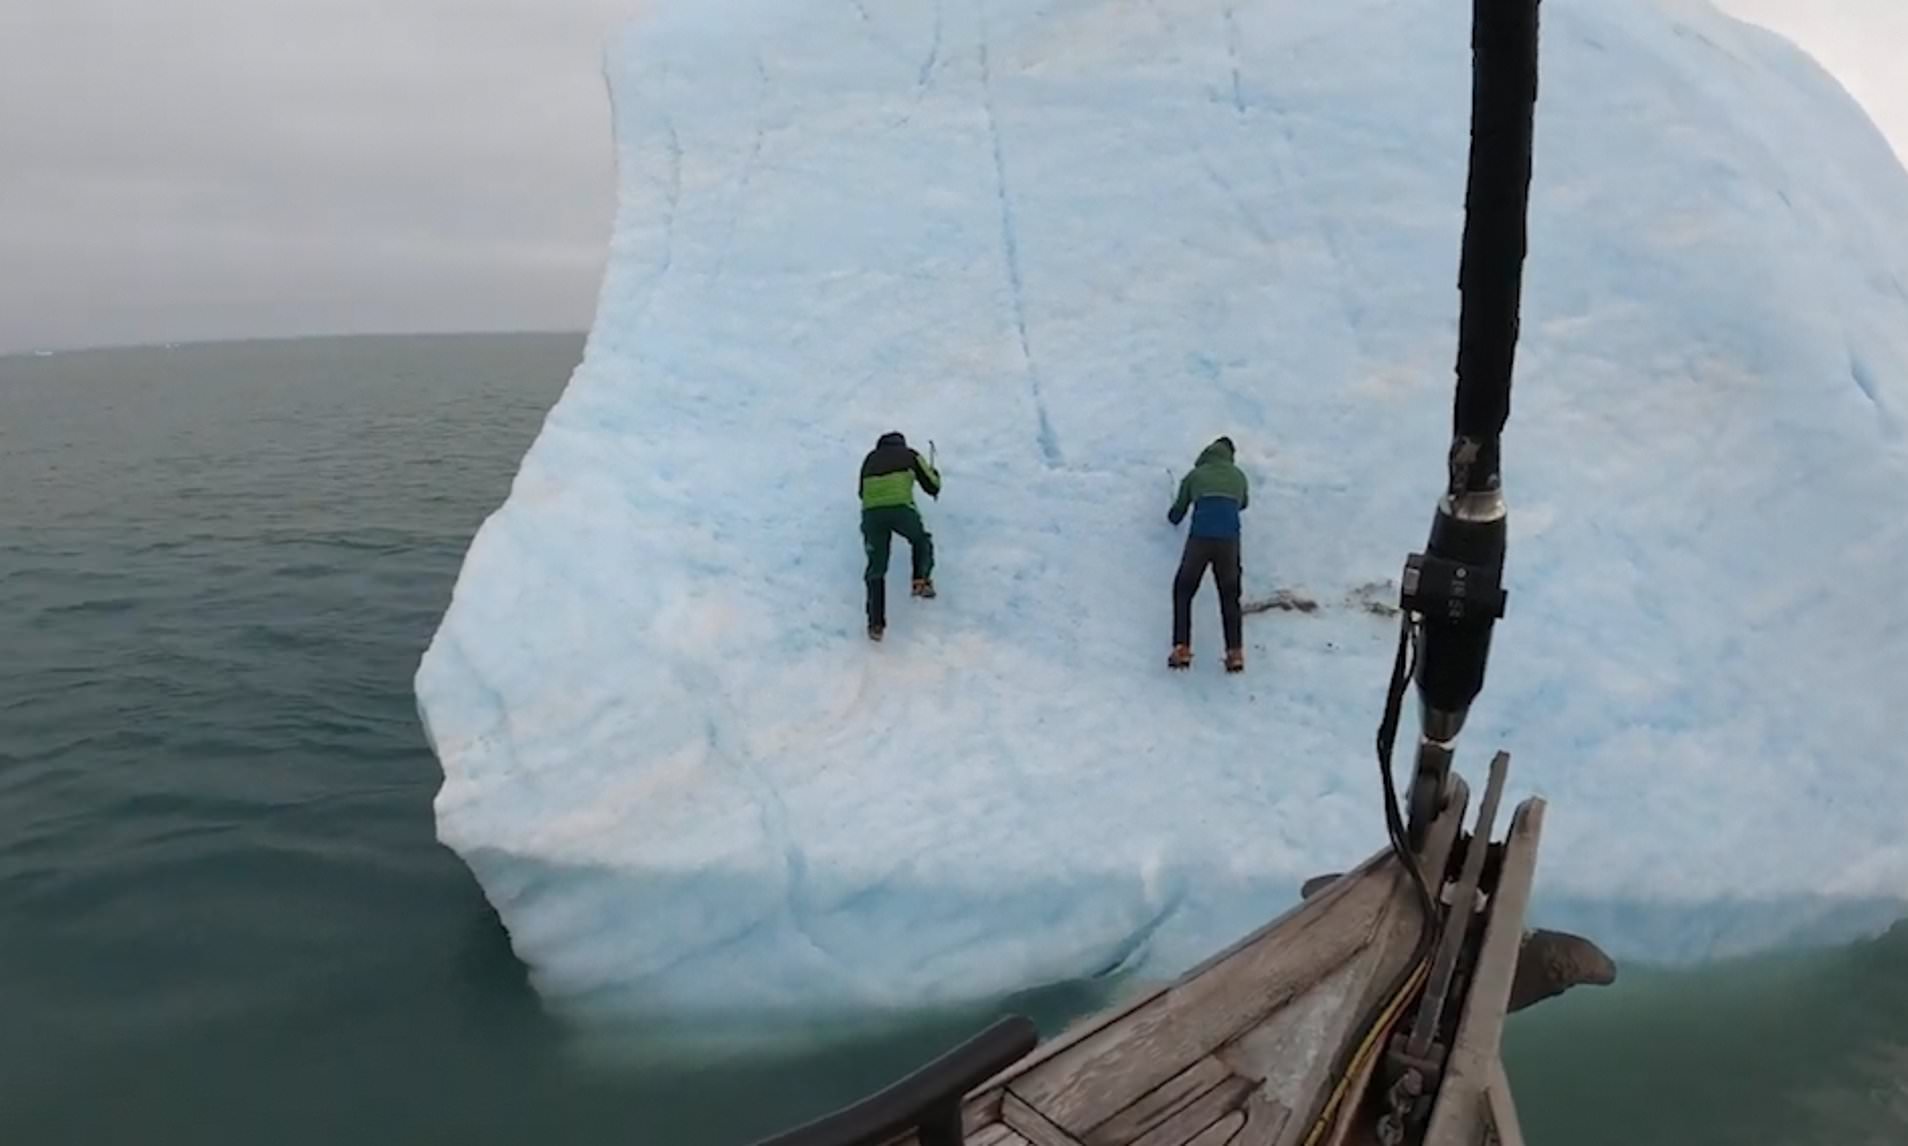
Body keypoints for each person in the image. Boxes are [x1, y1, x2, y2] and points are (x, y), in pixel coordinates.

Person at [1166, 435, 1249, 672]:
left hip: (1200, 540)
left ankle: (1181, 648)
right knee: (1229, 595)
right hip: (1229, 542)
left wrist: (1172, 515)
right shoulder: (1239, 476)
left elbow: (1177, 512)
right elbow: (1243, 503)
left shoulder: (1195, 475)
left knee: (1184, 588)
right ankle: (1235, 653)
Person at [859, 430, 941, 641]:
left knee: (876, 569)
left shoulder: (869, 459)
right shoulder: (909, 455)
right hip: (900, 510)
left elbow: (861, 492)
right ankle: (920, 580)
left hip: (872, 514)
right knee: (920, 539)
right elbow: (932, 485)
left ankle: (875, 624)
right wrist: (935, 475)